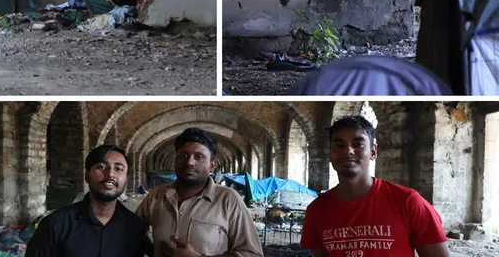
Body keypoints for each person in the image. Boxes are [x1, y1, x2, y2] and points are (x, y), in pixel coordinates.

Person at [300, 116, 449, 257]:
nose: (348, 151)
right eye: (339, 145)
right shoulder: (317, 210)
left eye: (357, 144)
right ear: (330, 154)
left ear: (373, 152)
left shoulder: (408, 202)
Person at [136, 128, 263, 257]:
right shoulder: (156, 196)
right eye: (184, 156)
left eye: (199, 157)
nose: (189, 162)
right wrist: (153, 251)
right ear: (176, 160)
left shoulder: (228, 200)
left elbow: (252, 254)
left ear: (211, 166)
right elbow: (133, 229)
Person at [26, 144, 144, 257]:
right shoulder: (55, 225)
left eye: (118, 169)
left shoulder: (134, 226)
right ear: (87, 176)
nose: (110, 174)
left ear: (126, 180)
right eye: (101, 167)